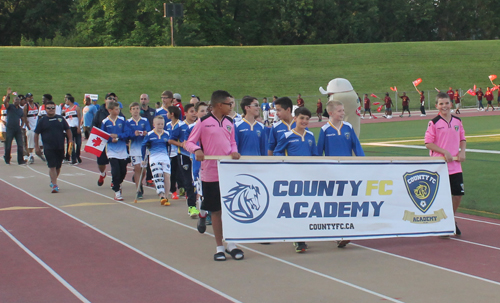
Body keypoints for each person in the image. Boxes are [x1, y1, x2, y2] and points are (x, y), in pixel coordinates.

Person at [185, 90, 243, 262]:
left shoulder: (230, 122)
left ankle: (231, 243)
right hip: (210, 173)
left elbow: (232, 142)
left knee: (231, 209)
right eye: (229, 104)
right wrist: (197, 150)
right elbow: (189, 142)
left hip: (228, 172)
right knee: (216, 211)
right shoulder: (203, 122)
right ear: (219, 105)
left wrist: (234, 151)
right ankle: (219, 246)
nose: (232, 107)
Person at [274, 107, 317, 253]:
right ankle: (298, 239)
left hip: (308, 176)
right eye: (301, 118)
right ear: (295, 119)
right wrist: (285, 164)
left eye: (307, 119)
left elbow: (315, 155)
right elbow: (277, 152)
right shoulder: (287, 136)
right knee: (296, 206)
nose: (304, 121)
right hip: (293, 176)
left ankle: (304, 232)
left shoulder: (310, 136)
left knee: (307, 205)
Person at [425, 92, 466, 236]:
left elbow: (462, 138)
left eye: (446, 103)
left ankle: (450, 219)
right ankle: (442, 222)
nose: (444, 106)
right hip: (440, 166)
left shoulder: (457, 121)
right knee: (442, 196)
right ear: (437, 106)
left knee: (458, 194)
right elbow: (428, 143)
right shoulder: (434, 123)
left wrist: (462, 151)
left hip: (455, 165)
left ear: (451, 104)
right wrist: (444, 152)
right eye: (441, 104)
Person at [34, 101, 72, 193]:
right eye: (48, 108)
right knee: (52, 166)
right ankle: (55, 185)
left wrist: (70, 140)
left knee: (58, 166)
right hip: (48, 147)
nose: (51, 110)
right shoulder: (42, 121)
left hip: (59, 146)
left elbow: (68, 130)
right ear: (45, 109)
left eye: (52, 108)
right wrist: (37, 147)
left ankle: (53, 180)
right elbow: (36, 134)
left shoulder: (60, 119)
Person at [168, 105, 198, 218]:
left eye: (195, 111)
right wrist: (181, 144)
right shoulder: (180, 126)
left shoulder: (198, 125)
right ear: (185, 113)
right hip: (184, 155)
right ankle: (192, 207)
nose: (194, 113)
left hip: (196, 156)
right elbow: (171, 140)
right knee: (188, 181)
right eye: (191, 111)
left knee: (198, 180)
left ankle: (203, 207)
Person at [92, 93, 125, 187]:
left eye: (114, 98)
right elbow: (94, 126)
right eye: (110, 98)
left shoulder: (118, 113)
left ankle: (115, 180)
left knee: (115, 163)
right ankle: (102, 174)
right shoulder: (100, 112)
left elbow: (123, 124)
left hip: (115, 143)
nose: (112, 100)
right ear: (105, 100)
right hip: (102, 140)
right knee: (101, 162)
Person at [100, 101, 130, 201]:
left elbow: (127, 133)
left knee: (123, 171)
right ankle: (117, 191)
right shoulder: (105, 122)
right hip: (111, 150)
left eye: (119, 109)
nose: (118, 111)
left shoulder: (122, 120)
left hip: (122, 149)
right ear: (110, 110)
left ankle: (118, 183)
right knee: (115, 170)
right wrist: (110, 139)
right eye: (116, 109)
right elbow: (102, 135)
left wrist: (118, 136)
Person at [142, 116, 171, 206]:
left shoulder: (167, 134)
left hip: (165, 157)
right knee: (158, 175)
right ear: (154, 125)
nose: (160, 126)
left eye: (162, 124)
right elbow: (143, 146)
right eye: (158, 124)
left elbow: (169, 146)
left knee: (167, 176)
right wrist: (143, 158)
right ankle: (161, 195)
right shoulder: (150, 134)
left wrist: (169, 156)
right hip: (154, 157)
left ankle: (166, 197)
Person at [126, 102, 151, 199]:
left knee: (143, 170)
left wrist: (145, 133)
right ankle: (138, 189)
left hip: (144, 148)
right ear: (130, 111)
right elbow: (127, 133)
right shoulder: (128, 122)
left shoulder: (144, 120)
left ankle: (139, 181)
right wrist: (133, 134)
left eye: (137, 108)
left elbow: (149, 131)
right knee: (137, 167)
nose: (136, 111)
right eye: (133, 109)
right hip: (134, 148)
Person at [3, 88, 26, 165]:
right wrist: (8, 94)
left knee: (20, 145)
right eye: (16, 100)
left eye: (18, 100)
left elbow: (23, 119)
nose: (17, 101)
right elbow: (5, 102)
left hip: (17, 129)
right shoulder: (10, 107)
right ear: (13, 101)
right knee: (8, 145)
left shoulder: (20, 110)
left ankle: (20, 160)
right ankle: (7, 158)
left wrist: (21, 126)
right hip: (10, 128)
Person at [138, 93, 156, 187]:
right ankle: (138, 177)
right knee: (142, 160)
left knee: (150, 159)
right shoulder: (138, 111)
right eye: (142, 99)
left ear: (148, 100)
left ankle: (149, 179)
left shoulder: (153, 111)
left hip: (151, 137)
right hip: (140, 139)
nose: (143, 100)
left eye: (145, 99)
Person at [64, 96, 82, 165]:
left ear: (69, 100)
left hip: (76, 127)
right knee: (71, 143)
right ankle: (73, 159)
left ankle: (77, 155)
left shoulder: (76, 108)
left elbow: (79, 117)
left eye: (66, 100)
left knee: (79, 143)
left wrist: (79, 127)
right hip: (69, 128)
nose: (66, 101)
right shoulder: (66, 110)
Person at [23, 92, 39, 164]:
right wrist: (28, 126)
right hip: (30, 127)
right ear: (27, 98)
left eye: (31, 96)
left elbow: (39, 115)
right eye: (29, 97)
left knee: (40, 141)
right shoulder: (26, 106)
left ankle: (40, 153)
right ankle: (31, 155)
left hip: (37, 126)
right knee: (30, 142)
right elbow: (25, 117)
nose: (31, 98)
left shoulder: (36, 105)